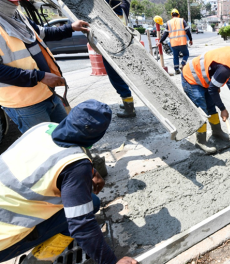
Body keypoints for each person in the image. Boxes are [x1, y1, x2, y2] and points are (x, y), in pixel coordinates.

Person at [0, 100, 137, 264]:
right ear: (98, 136)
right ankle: (38, 260)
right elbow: (82, 226)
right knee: (89, 206)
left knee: (89, 201)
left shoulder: (41, 128)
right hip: (5, 238)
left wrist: (91, 170)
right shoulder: (75, 167)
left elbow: (52, 154)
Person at [0, 0, 89, 133]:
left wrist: (70, 28)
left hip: (47, 92)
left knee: (68, 136)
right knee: (45, 147)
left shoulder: (17, 15)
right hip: (24, 104)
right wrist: (39, 76)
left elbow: (42, 33)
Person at [181, 44, 230, 154]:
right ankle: (200, 141)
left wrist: (215, 85)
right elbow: (213, 89)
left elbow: (214, 73)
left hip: (203, 78)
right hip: (191, 77)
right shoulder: (225, 68)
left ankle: (217, 131)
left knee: (211, 105)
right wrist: (223, 109)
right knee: (202, 110)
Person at [104, 0, 136, 118]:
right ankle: (127, 101)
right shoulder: (123, 5)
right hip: (122, 44)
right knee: (120, 75)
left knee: (115, 75)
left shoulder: (113, 6)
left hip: (112, 46)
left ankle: (128, 105)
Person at [160, 9, 192, 75]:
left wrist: (160, 41)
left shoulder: (168, 22)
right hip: (182, 42)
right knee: (186, 54)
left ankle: (176, 69)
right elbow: (188, 31)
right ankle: (183, 63)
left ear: (172, 15)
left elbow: (165, 34)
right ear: (178, 15)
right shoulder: (182, 20)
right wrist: (191, 40)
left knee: (175, 56)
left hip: (173, 43)